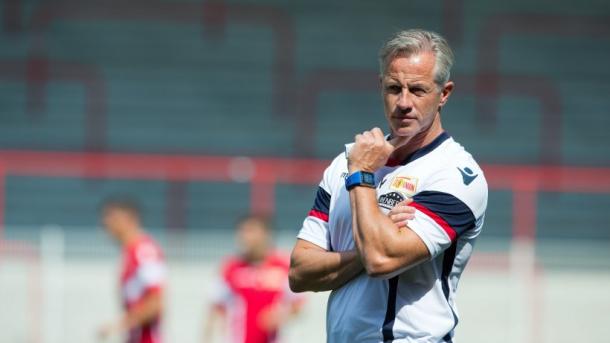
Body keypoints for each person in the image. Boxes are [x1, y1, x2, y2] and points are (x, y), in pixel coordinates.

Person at [289, 29, 488, 342]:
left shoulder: (456, 174)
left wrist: (363, 177)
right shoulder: (346, 162)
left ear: (444, 93)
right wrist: (366, 246)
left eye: (418, 90)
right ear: (381, 86)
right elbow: (300, 273)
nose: (404, 102)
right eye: (394, 88)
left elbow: (381, 260)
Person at [204, 214, 304, 343]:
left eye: (250, 231)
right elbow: (214, 308)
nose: (245, 237)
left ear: (266, 234)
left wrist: (281, 315)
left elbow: (298, 304)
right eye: (242, 232)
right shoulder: (230, 267)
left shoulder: (283, 267)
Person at [98, 197, 166, 343]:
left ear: (130, 220)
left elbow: (155, 303)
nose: (107, 224)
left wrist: (117, 326)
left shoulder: (144, 252)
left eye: (113, 219)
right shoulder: (129, 253)